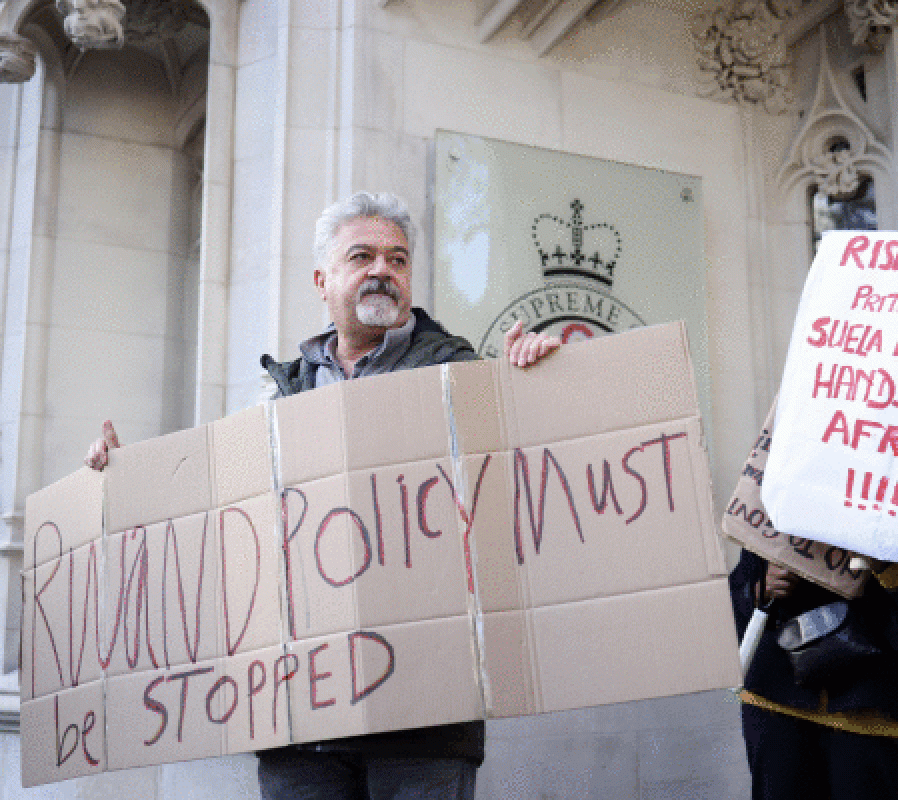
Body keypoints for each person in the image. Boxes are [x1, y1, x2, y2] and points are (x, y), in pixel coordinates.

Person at [85, 192, 559, 800]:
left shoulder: (458, 376)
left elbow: (523, 482)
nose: (382, 270)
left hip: (422, 723)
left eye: (398, 259)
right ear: (323, 279)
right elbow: (211, 507)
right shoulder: (280, 394)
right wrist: (122, 478)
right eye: (361, 256)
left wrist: (538, 383)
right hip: (298, 722)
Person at [729, 550, 898, 800]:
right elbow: (733, 604)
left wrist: (891, 567)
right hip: (778, 704)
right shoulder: (776, 514)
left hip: (873, 707)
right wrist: (762, 588)